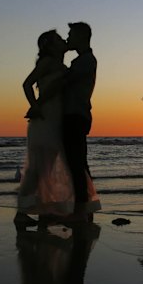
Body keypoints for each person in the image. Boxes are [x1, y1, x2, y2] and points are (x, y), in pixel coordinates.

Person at [24, 22, 101, 223]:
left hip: (75, 116)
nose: (67, 39)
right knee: (73, 163)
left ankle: (80, 212)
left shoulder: (84, 61)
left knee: (75, 164)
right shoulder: (76, 61)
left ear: (81, 37)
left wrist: (38, 103)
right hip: (68, 117)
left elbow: (61, 83)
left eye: (70, 35)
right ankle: (82, 210)